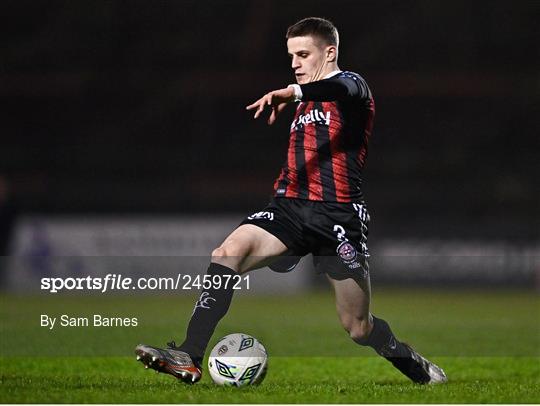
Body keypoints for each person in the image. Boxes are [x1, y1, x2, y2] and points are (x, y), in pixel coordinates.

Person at [135, 17, 447, 385]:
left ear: (329, 53)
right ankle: (189, 355)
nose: (295, 63)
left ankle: (409, 362)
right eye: (291, 56)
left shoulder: (353, 88)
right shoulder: (303, 99)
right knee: (227, 253)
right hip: (289, 209)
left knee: (358, 327)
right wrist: (296, 97)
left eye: (303, 54)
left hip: (338, 217)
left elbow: (343, 87)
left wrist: (293, 93)